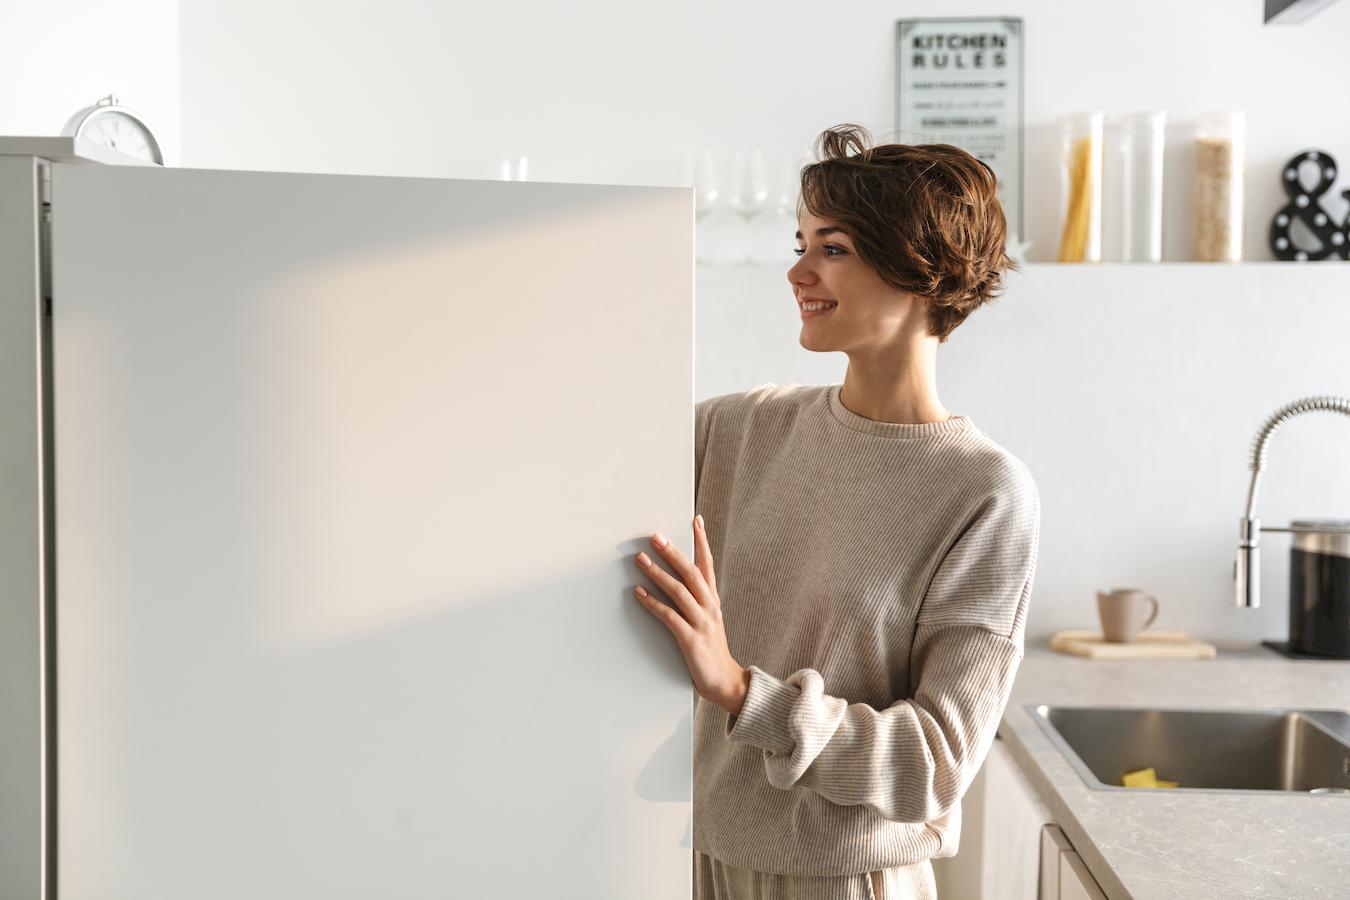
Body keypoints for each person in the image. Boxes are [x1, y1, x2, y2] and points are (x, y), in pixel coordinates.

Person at [631, 122, 1041, 900]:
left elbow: (935, 763)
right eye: (801, 242)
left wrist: (739, 691)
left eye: (834, 248)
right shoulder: (734, 429)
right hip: (694, 861)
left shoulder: (984, 492)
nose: (797, 271)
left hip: (847, 881)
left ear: (922, 271)